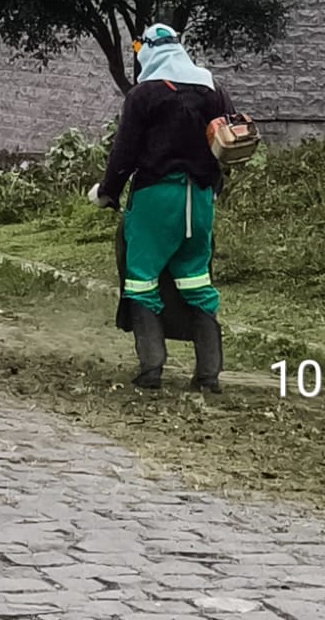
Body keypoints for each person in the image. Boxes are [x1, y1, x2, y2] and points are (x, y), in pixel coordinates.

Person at [88, 23, 232, 393]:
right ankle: (208, 375)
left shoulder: (144, 94)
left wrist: (108, 192)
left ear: (150, 51)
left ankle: (151, 368)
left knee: (141, 278)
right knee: (196, 279)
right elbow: (228, 139)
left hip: (156, 197)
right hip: (200, 198)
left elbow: (125, 151)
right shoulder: (212, 88)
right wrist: (215, 184)